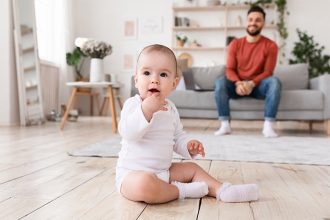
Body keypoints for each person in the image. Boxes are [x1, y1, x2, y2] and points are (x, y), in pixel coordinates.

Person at [116, 44, 259, 204]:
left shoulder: (170, 109)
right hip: (132, 175)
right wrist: (146, 110)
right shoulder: (133, 105)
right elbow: (128, 133)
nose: (154, 79)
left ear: (174, 83)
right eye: (147, 73)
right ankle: (181, 190)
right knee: (144, 185)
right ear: (136, 80)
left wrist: (188, 145)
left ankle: (222, 190)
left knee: (192, 168)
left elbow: (177, 137)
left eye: (163, 74)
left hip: (164, 172)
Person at [214, 5, 282, 138]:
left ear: (263, 23)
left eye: (258, 20)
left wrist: (251, 83)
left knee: (274, 82)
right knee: (220, 82)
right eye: (250, 19)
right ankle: (225, 125)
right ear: (246, 22)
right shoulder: (235, 44)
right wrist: (239, 83)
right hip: (237, 86)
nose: (253, 23)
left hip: (258, 87)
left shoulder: (271, 45)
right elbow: (230, 69)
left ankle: (268, 127)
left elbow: (268, 72)